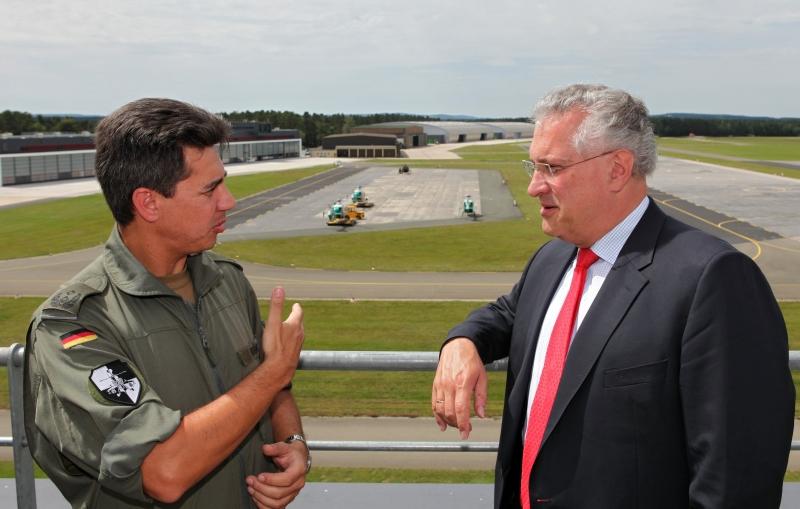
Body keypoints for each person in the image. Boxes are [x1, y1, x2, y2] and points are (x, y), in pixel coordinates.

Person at [432, 84, 794, 508]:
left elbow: (737, 478)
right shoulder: (554, 258)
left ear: (618, 168)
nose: (534, 187)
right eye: (533, 165)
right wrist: (462, 342)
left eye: (551, 167)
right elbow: (507, 314)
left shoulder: (711, 277)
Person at [24, 98, 309, 509]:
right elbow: (163, 471)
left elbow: (271, 388)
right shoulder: (72, 325)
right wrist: (272, 373)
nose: (228, 201)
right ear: (149, 204)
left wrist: (293, 443)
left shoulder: (227, 282)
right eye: (210, 189)